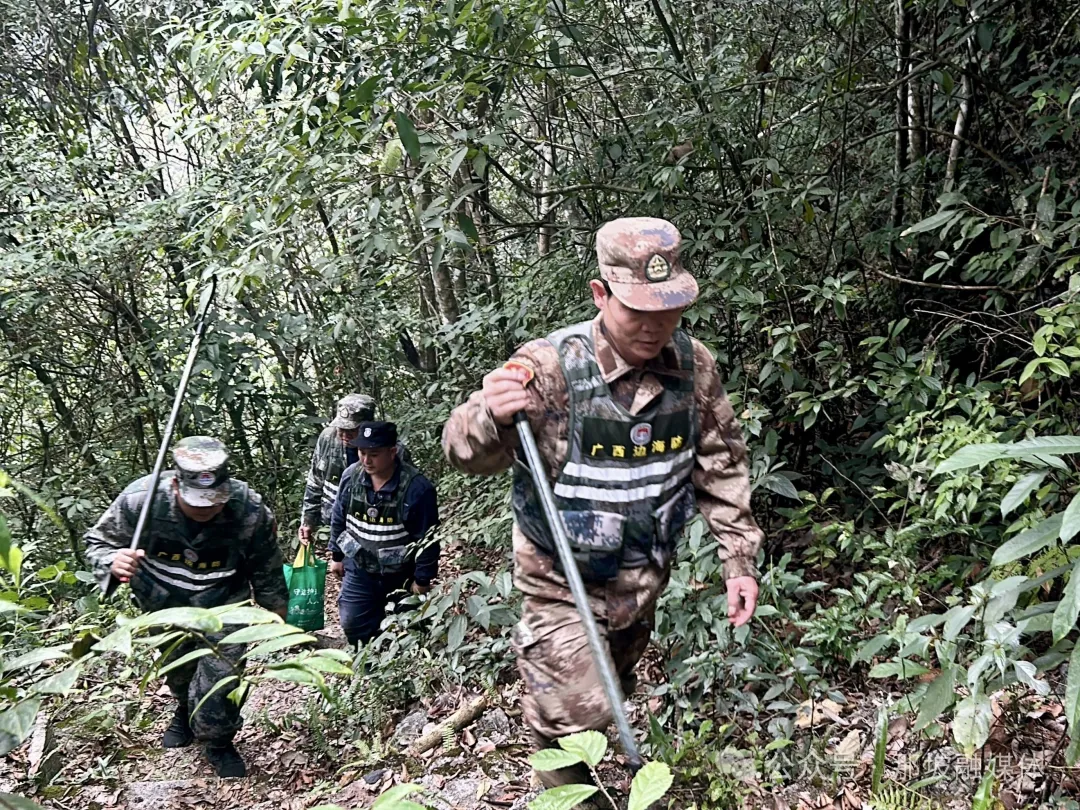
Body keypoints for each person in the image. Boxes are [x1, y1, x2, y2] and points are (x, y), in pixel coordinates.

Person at [442, 217, 764, 787]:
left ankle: (565, 775)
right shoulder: (549, 368)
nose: (654, 325)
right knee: (580, 707)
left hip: (642, 576)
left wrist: (738, 558)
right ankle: (573, 790)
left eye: (667, 309)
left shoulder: (694, 367)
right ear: (600, 294)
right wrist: (490, 415)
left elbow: (720, 462)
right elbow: (462, 451)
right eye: (637, 310)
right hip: (560, 577)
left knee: (609, 691)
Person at [84, 437, 287, 778]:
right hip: (162, 603)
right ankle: (184, 709)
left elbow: (266, 565)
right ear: (176, 485)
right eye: (197, 502)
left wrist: (276, 613)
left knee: (222, 679)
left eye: (214, 501)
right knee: (178, 671)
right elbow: (98, 543)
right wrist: (112, 560)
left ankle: (219, 741)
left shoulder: (249, 510)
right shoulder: (141, 501)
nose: (206, 509)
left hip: (224, 603)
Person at [329, 421, 440, 646]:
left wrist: (422, 579)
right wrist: (336, 556)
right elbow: (338, 517)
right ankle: (367, 660)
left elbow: (427, 538)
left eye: (374, 454)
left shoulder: (417, 488)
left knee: (411, 629)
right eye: (362, 453)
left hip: (401, 572)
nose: (366, 460)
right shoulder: (351, 477)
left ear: (392, 452)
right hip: (359, 566)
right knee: (353, 624)